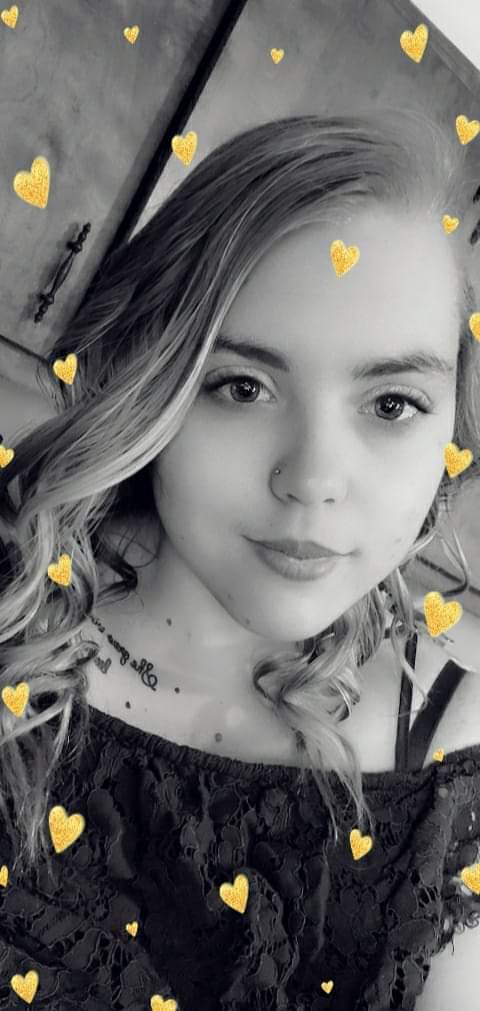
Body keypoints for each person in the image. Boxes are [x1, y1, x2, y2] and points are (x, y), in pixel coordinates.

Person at [0, 108, 479, 1010]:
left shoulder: (449, 751)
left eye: (392, 404)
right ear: (153, 373)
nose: (313, 481)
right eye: (242, 386)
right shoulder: (13, 608)